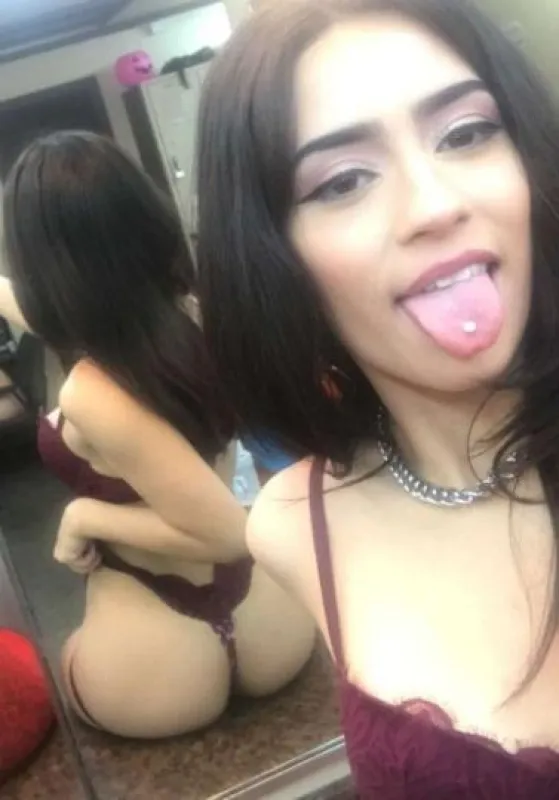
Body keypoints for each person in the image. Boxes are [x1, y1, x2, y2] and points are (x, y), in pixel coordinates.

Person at [195, 0, 559, 795]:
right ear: (273, 256)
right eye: (343, 180)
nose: (434, 204)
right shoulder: (296, 523)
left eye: (465, 133)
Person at [0, 130, 315, 738]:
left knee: (65, 660)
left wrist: (86, 516)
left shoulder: (92, 391)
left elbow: (227, 534)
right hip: (272, 621)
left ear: (37, 263)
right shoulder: (195, 313)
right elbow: (38, 310)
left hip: (160, 657)